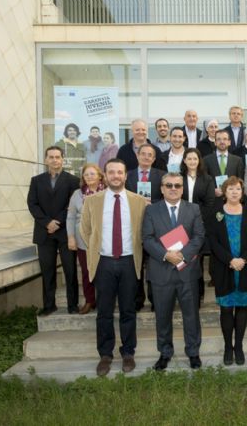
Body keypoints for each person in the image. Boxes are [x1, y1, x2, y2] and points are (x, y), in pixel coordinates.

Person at [80, 158, 146, 376]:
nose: (116, 176)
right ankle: (105, 355)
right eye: (111, 172)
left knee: (128, 310)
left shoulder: (138, 201)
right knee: (104, 312)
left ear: (126, 176)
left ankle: (128, 352)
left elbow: (143, 232)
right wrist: (97, 250)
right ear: (105, 176)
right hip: (104, 262)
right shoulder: (92, 201)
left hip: (129, 261)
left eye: (120, 172)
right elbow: (86, 231)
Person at [142, 173, 206, 370]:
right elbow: (147, 238)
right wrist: (166, 255)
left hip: (187, 272)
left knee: (191, 316)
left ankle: (193, 353)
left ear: (182, 188)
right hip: (161, 272)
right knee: (162, 316)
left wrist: (183, 255)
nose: (173, 188)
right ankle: (165, 353)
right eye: (168, 185)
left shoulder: (193, 209)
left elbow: (199, 236)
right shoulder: (152, 210)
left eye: (177, 185)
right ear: (161, 188)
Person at [207, 177, 247, 366]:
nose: (234, 192)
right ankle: (227, 347)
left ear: (242, 192)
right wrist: (230, 260)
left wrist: (243, 259)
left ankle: (238, 346)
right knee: (226, 308)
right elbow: (213, 241)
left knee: (241, 308)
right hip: (224, 267)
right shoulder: (216, 214)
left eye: (238, 189)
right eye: (230, 189)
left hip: (245, 267)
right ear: (224, 192)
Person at [27, 146, 80, 316]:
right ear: (46, 159)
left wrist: (57, 221)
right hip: (44, 233)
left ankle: (73, 305)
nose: (55, 160)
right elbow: (32, 204)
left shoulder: (73, 180)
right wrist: (47, 222)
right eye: (51, 157)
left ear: (62, 159)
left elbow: (72, 206)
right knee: (47, 271)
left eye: (58, 157)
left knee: (70, 270)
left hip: (65, 231)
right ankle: (49, 305)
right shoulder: (36, 180)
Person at [125, 144, 166, 311]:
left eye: (150, 155)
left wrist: (152, 204)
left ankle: (155, 300)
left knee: (154, 266)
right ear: (137, 156)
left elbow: (168, 198)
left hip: (155, 227)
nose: (147, 157)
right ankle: (137, 299)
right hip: (133, 226)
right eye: (143, 154)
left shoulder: (162, 176)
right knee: (136, 265)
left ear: (154, 159)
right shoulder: (128, 176)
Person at [67, 163, 106, 315]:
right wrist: (71, 237)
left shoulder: (107, 192)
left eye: (92, 174)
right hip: (82, 239)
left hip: (104, 240)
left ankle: (104, 300)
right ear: (83, 177)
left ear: (99, 176)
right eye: (86, 174)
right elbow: (70, 217)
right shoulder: (77, 194)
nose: (89, 177)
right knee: (86, 271)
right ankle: (90, 300)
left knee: (103, 271)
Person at [180, 148, 215, 304]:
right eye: (189, 158)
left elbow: (210, 204)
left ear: (199, 161)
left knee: (197, 260)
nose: (192, 161)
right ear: (184, 161)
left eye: (195, 158)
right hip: (179, 224)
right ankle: (182, 294)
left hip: (199, 224)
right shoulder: (178, 178)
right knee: (181, 259)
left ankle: (198, 294)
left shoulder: (207, 179)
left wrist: (196, 219)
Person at [203, 130, 245, 210]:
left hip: (232, 202)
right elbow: (204, 181)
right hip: (213, 203)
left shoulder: (238, 160)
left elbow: (241, 181)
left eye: (225, 139)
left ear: (229, 142)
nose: (222, 141)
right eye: (219, 139)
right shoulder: (206, 160)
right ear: (215, 142)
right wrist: (212, 191)